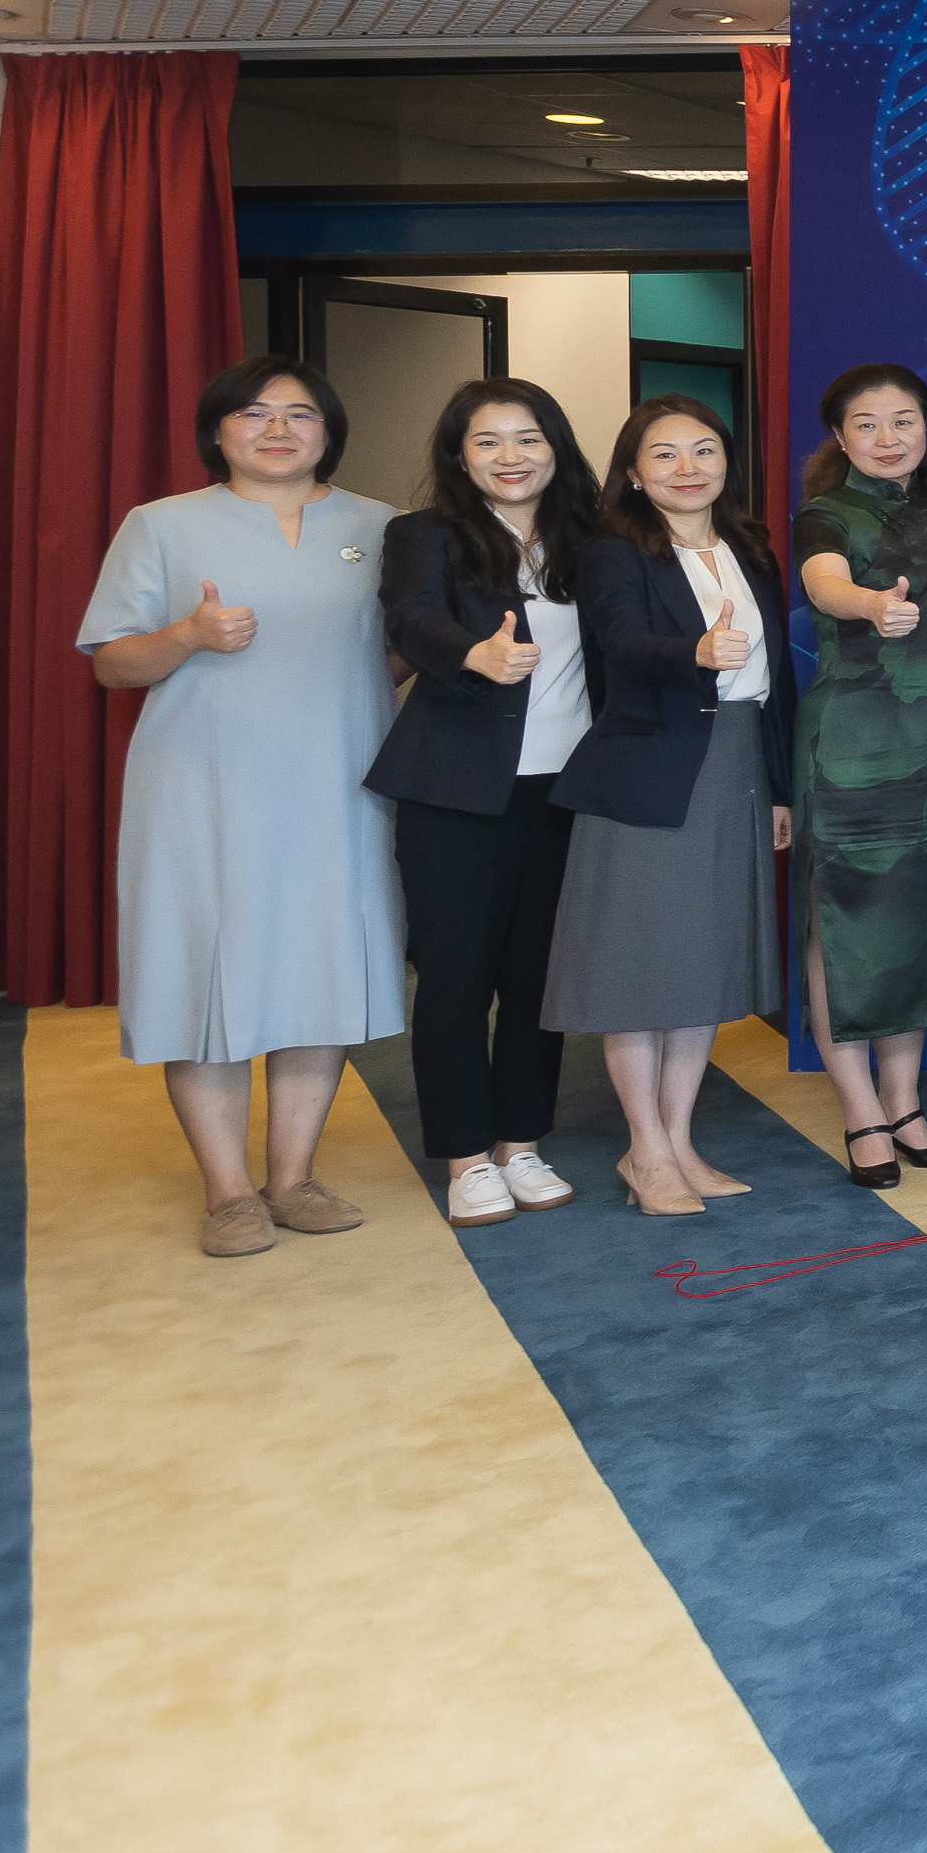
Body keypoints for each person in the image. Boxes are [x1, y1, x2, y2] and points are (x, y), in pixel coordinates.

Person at [77, 356, 405, 1258]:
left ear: (329, 431)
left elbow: (404, 649)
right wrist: (187, 633)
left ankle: (292, 1178)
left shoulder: (381, 526)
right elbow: (112, 662)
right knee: (205, 972)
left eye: (300, 415)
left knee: (321, 967)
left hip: (340, 781)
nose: (277, 430)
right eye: (253, 414)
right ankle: (228, 1193)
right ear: (217, 430)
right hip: (201, 787)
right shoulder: (163, 526)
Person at [543, 395, 792, 1218]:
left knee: (700, 966)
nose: (688, 469)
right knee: (638, 970)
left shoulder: (751, 547)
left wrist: (781, 786)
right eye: (664, 455)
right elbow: (617, 642)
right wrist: (693, 651)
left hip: (738, 767)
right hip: (649, 772)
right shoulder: (615, 552)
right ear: (634, 473)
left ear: (727, 461)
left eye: (704, 450)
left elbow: (778, 683)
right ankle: (644, 1149)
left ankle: (679, 1140)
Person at [367, 378, 597, 1227]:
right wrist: (472, 656)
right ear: (460, 454)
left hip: (567, 791)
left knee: (540, 978)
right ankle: (467, 1157)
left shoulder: (591, 538)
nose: (511, 457)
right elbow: (411, 619)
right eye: (490, 441)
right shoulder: (424, 534)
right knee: (458, 979)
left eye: (528, 438)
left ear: (556, 446)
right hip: (456, 790)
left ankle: (521, 1142)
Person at [792, 362, 927, 1190]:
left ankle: (904, 1104)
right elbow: (824, 585)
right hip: (854, 747)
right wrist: (870, 606)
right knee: (848, 921)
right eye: (866, 424)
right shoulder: (824, 513)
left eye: (903, 420)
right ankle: (859, 1109)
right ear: (840, 437)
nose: (888, 437)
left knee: (919, 919)